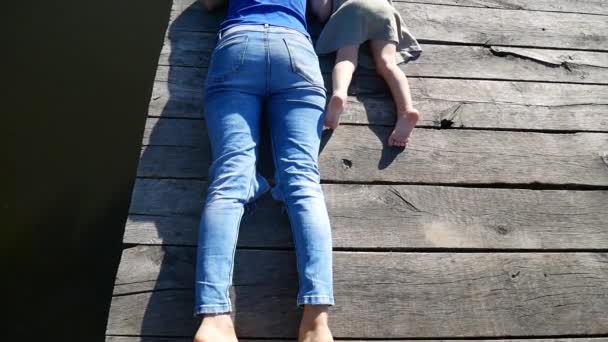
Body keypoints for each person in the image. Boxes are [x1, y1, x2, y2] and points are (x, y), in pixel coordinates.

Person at [194, 1, 335, 342]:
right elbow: (323, 12)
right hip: (296, 49)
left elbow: (209, 3)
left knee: (228, 181)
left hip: (238, 43)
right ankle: (316, 322)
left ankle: (213, 319)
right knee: (303, 183)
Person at [316, 0, 422, 147]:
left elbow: (322, 12)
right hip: (382, 9)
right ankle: (406, 109)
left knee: (346, 59)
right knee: (388, 64)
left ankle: (340, 93)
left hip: (352, 9)